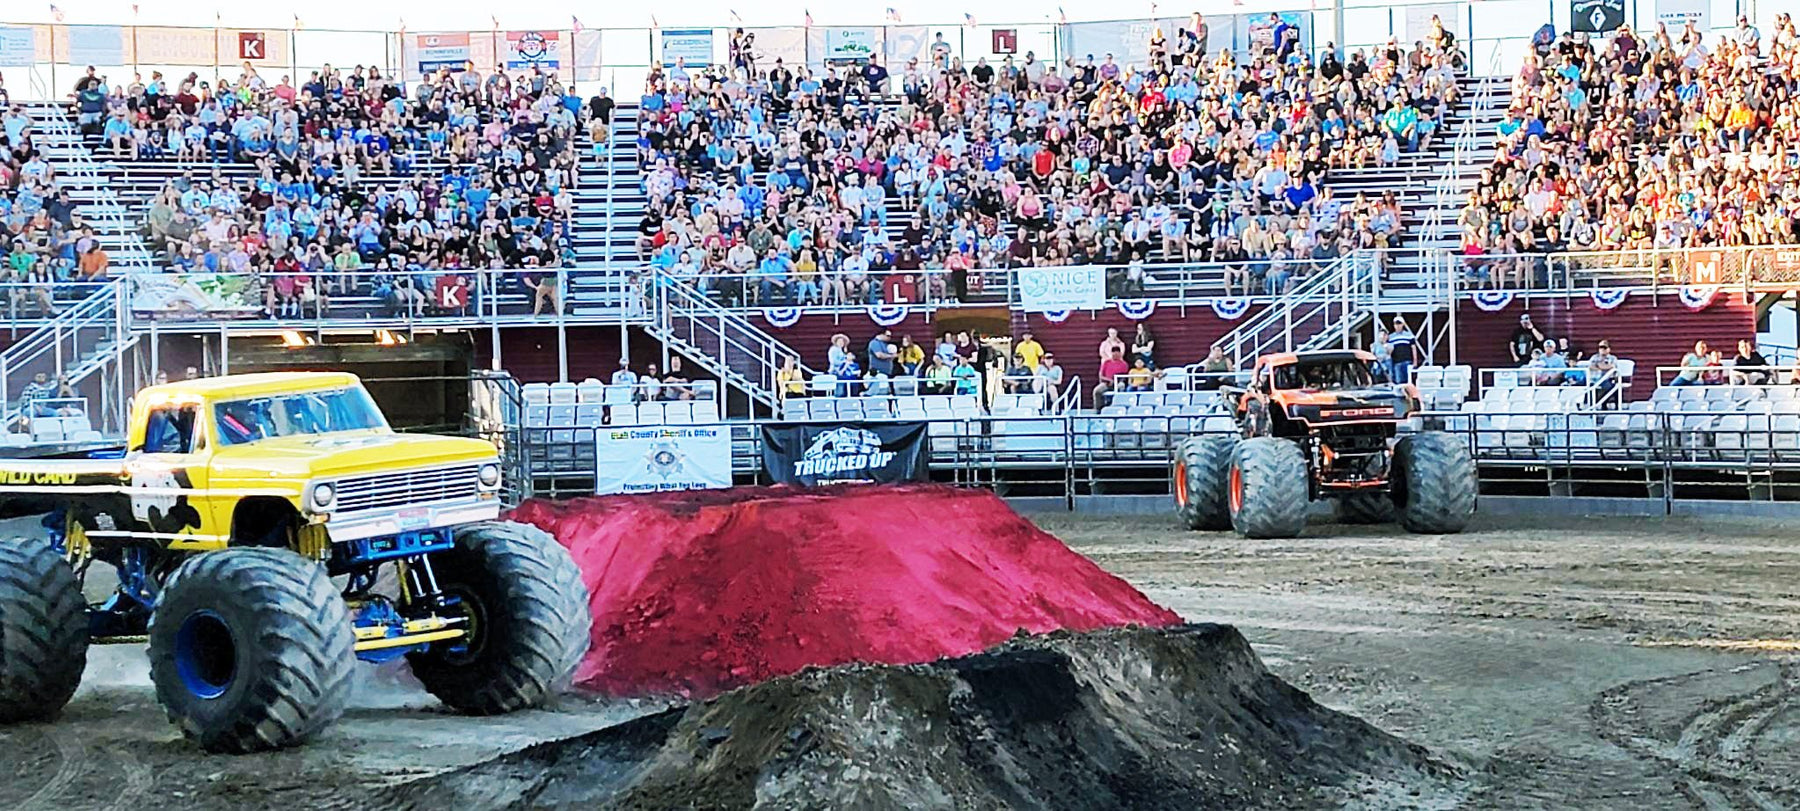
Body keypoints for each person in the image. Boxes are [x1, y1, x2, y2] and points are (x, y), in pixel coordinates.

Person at [1387, 317, 1419, 385]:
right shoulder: (1390, 337)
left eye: (1399, 324)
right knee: (1399, 382)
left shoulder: (1409, 335)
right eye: (1396, 324)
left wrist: (1415, 361)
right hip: (1396, 363)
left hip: (1407, 362)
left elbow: (1413, 348)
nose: (1398, 326)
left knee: (1408, 381)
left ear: (1403, 324)